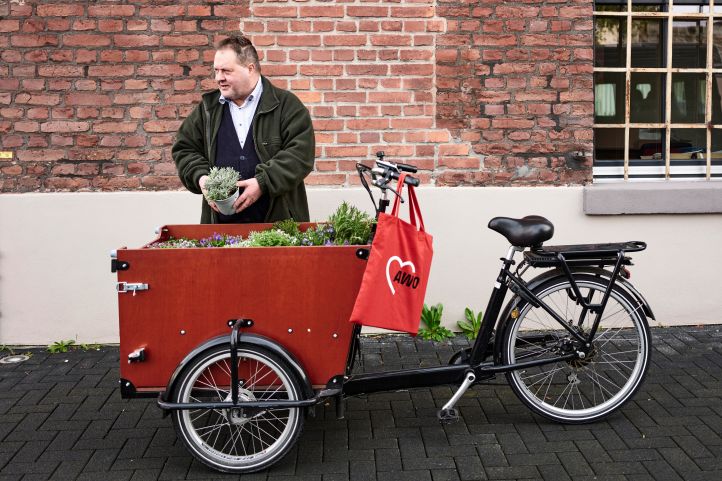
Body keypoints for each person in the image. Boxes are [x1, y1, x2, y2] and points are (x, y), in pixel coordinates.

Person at [172, 34, 315, 223]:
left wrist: (262, 183)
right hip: (219, 229)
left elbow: (300, 155)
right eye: (216, 71)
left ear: (250, 68)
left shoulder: (286, 106)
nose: (218, 78)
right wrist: (201, 178)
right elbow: (184, 149)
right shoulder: (207, 109)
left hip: (277, 224)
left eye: (226, 71)